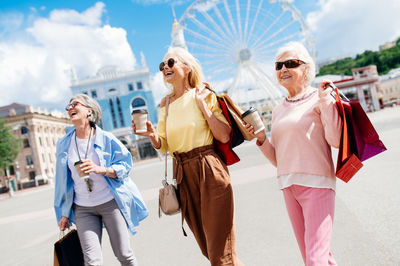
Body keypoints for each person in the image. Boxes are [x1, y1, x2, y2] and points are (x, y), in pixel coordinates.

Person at [132, 47, 243, 266]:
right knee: (209, 249)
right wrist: (152, 135)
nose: (165, 68)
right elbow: (164, 146)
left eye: (171, 62)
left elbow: (223, 135)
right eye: (162, 65)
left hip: (208, 166)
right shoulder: (165, 104)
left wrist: (203, 106)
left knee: (221, 254)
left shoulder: (203, 94)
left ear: (187, 67)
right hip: (182, 173)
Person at [245, 42, 342, 266]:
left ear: (306, 69)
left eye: (291, 63)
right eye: (279, 65)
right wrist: (261, 139)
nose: (283, 69)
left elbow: (335, 140)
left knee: (315, 259)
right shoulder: (278, 110)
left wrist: (327, 102)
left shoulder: (320, 99)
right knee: (317, 256)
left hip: (317, 184)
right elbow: (278, 160)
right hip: (288, 186)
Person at [54, 94, 148, 266]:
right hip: (83, 208)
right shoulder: (64, 144)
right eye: (68, 106)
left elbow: (126, 165)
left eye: (75, 104)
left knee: (124, 254)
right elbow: (62, 182)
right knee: (91, 262)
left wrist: (102, 169)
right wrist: (64, 212)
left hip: (110, 202)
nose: (70, 108)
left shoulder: (106, 138)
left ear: (89, 111)